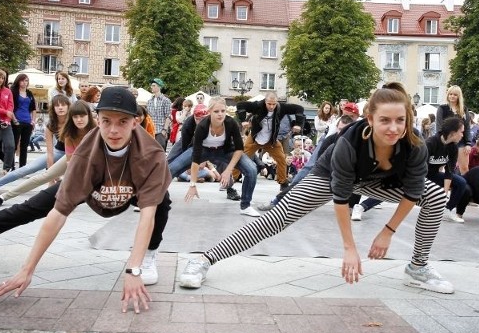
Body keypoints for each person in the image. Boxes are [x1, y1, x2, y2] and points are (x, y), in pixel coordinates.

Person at [179, 82, 455, 294]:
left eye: (400, 120)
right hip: (330, 174)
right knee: (278, 218)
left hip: (381, 180)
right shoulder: (349, 142)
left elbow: (413, 193)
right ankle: (204, 259)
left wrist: (388, 231)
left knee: (435, 197)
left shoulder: (415, 146)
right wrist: (349, 247)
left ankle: (417, 268)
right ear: (370, 119)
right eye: (385, 120)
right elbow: (341, 197)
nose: (394, 128)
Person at [0, 87, 172, 314]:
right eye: (106, 121)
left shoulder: (152, 154)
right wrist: (27, 268)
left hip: (129, 192)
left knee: (161, 199)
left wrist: (134, 269)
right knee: (26, 209)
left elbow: (148, 215)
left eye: (122, 122)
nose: (113, 130)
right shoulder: (85, 154)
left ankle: (150, 254)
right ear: (98, 120)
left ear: (135, 122)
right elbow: (58, 214)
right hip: (92, 189)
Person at [0, 100, 96, 208]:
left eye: (82, 116)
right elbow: (70, 162)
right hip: (76, 157)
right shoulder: (68, 133)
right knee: (44, 176)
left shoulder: (97, 128)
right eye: (75, 117)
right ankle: (3, 196)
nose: (79, 120)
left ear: (89, 115)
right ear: (71, 118)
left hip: (96, 158)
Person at [168, 96, 260, 217]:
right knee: (171, 168)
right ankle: (153, 200)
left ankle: (245, 206)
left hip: (225, 151)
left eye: (223, 111)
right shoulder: (202, 126)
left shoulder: (231, 123)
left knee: (252, 169)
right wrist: (192, 184)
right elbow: (195, 158)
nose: (220, 114)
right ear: (209, 112)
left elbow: (239, 149)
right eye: (216, 111)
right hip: (203, 151)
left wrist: (228, 170)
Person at [0, 95, 70, 195]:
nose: (60, 107)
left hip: (75, 153)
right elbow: (50, 153)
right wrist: (51, 179)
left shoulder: (73, 121)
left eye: (63, 105)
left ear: (68, 107)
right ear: (53, 108)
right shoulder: (51, 125)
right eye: (57, 105)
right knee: (27, 169)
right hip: (59, 151)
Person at [236, 92, 305, 190]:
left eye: (274, 104)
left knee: (281, 159)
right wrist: (243, 120)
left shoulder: (281, 108)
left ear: (277, 102)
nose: (272, 106)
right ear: (265, 101)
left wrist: (298, 124)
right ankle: (231, 180)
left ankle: (283, 183)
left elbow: (299, 108)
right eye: (269, 104)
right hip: (255, 138)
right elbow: (240, 105)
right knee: (240, 158)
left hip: (271, 140)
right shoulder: (258, 106)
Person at [425, 117, 468, 223]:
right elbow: (420, 169)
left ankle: (446, 209)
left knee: (461, 183)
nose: (463, 135)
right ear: (453, 133)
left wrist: (444, 194)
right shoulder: (430, 143)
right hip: (420, 176)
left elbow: (449, 171)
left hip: (434, 174)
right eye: (461, 132)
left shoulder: (453, 148)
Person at [436, 85, 471, 174]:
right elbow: (439, 126)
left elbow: (467, 127)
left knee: (464, 168)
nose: (452, 96)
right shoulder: (442, 108)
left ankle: (465, 187)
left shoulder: (464, 109)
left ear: (459, 96)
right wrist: (441, 142)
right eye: (450, 94)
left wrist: (468, 143)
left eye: (455, 94)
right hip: (446, 141)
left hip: (461, 142)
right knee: (441, 167)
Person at [146, 78, 172, 150]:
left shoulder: (166, 100)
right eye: (151, 85)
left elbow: (168, 116)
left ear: (159, 86)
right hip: (150, 130)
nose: (151, 87)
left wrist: (165, 130)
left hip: (160, 130)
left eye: (154, 85)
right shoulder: (149, 101)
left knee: (160, 151)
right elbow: (148, 116)